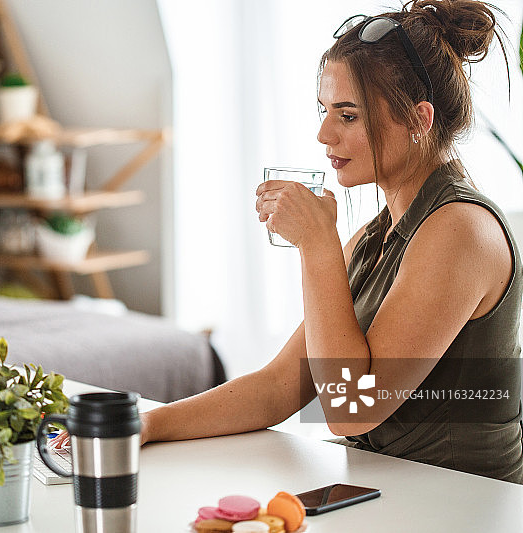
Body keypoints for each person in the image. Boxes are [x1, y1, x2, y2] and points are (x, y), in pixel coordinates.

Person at [136, 0, 523, 484]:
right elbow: (280, 387)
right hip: (389, 489)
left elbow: (350, 410)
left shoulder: (462, 231)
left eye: (347, 115)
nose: (323, 134)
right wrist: (147, 424)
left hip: (465, 504)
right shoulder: (376, 236)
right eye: (324, 111)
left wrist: (318, 245)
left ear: (419, 120)